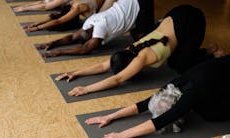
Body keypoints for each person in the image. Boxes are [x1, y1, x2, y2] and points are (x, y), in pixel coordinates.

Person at [55, 4, 222, 95]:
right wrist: (76, 73)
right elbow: (103, 66)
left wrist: (85, 89)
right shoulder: (132, 48)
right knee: (175, 59)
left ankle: (211, 52)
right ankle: (204, 50)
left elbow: (117, 80)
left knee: (181, 66)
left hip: (193, 21)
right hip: (177, 13)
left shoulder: (143, 57)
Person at [84, 55, 230, 138]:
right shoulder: (172, 87)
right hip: (219, 69)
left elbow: (160, 122)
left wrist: (121, 135)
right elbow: (143, 104)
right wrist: (109, 117)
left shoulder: (190, 96)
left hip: (221, 72)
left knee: (209, 114)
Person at [37, 0, 150, 55]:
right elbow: (74, 40)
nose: (85, 31)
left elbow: (84, 48)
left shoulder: (92, 24)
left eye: (84, 32)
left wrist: (57, 48)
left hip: (135, 3)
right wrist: (54, 44)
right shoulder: (94, 27)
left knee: (140, 37)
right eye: (86, 34)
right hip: (135, 4)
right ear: (90, 37)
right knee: (139, 38)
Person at [23, 0, 115, 32]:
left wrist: (37, 26)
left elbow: (58, 20)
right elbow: (57, 20)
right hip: (100, 6)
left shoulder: (75, 6)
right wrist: (37, 25)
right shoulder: (75, 5)